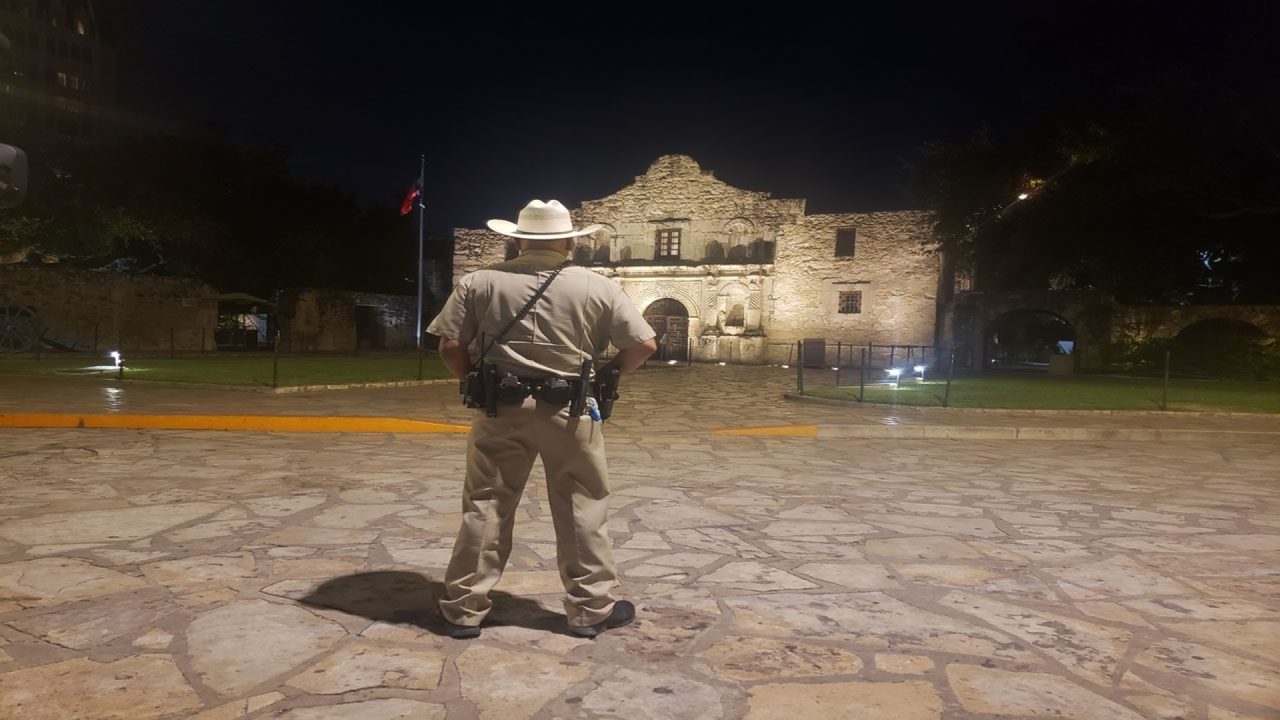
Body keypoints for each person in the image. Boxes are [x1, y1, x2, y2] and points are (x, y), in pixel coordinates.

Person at [426, 198, 658, 639]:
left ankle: (463, 608)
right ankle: (590, 609)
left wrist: (472, 379)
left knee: (487, 505)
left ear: (515, 239)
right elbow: (643, 345)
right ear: (569, 241)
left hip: (501, 407)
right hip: (570, 410)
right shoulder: (598, 285)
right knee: (582, 505)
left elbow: (450, 345)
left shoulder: (480, 281)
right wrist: (609, 378)